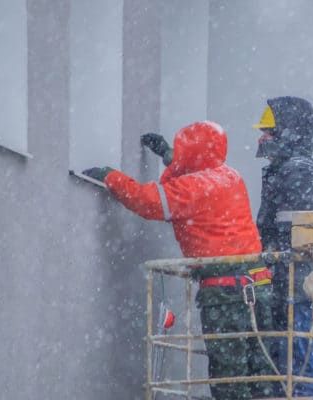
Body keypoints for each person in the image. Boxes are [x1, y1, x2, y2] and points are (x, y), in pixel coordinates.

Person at [83, 121, 279, 399]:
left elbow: (148, 201)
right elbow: (194, 169)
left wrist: (110, 176)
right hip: (258, 288)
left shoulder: (194, 187)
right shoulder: (230, 177)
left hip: (226, 296)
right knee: (260, 375)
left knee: (230, 379)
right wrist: (167, 154)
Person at [253, 96, 313, 397]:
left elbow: (294, 237)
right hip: (288, 288)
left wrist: (269, 261)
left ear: (289, 132)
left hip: (295, 291)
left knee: (296, 366)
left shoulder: (299, 172)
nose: (262, 137)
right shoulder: (288, 170)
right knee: (289, 365)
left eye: (269, 130)